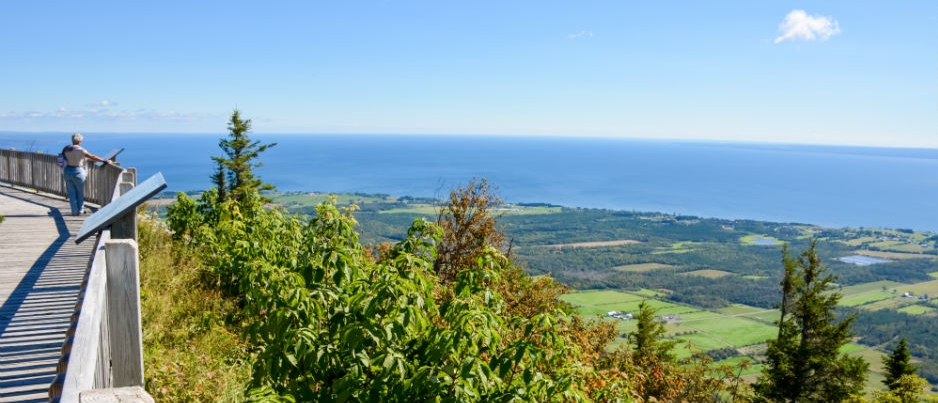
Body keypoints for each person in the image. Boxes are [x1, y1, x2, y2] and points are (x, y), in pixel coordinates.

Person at [62, 133, 109, 216]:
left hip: (67, 171)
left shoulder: (66, 149)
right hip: (78, 171)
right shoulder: (80, 150)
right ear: (79, 141)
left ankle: (74, 211)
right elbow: (92, 156)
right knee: (80, 192)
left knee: (71, 193)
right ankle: (80, 210)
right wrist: (104, 160)